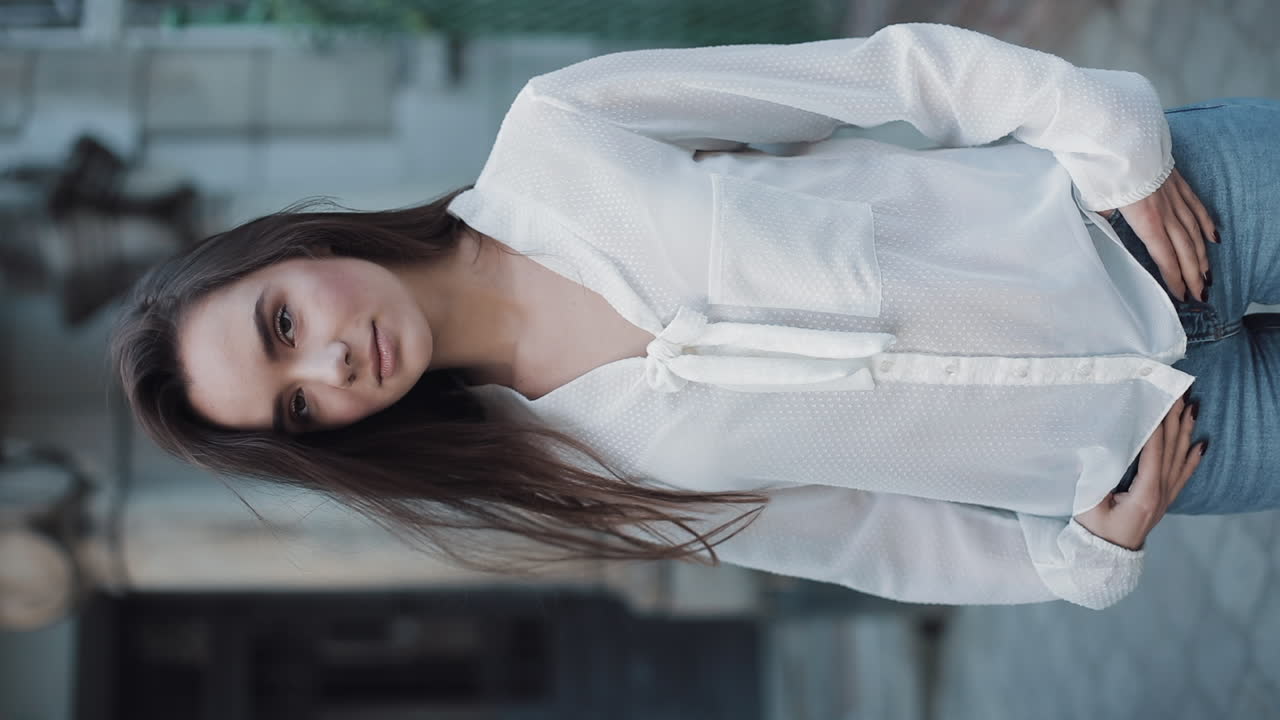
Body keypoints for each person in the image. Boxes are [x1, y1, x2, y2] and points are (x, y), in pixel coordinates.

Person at [111, 22, 1278, 611]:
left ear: (298, 249)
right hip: (1160, 449)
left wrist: (1103, 142)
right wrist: (1073, 558)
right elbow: (859, 534)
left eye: (278, 326)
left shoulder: (559, 134)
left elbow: (880, 79)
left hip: (1165, 210)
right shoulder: (560, 476)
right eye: (298, 406)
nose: (328, 363)